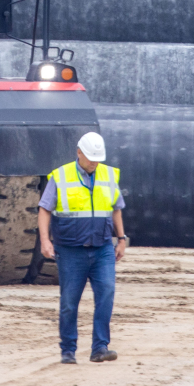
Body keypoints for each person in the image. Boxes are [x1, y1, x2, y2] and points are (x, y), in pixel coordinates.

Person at [37, 131, 127, 365]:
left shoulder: (107, 174)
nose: (94, 162)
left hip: (103, 248)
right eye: (90, 157)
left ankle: (100, 347)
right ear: (78, 152)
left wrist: (122, 238)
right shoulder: (61, 176)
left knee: (106, 293)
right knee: (69, 301)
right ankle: (68, 350)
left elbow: (116, 207)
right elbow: (44, 209)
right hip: (70, 250)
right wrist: (45, 240)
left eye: (97, 158)